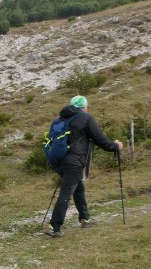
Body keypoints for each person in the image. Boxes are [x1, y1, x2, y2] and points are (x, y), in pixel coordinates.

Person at [45, 95, 124, 237]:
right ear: (84, 107)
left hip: (57, 161)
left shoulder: (58, 119)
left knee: (78, 187)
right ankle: (54, 226)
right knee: (67, 191)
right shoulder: (86, 118)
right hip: (74, 162)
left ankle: (85, 218)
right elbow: (101, 140)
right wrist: (115, 146)